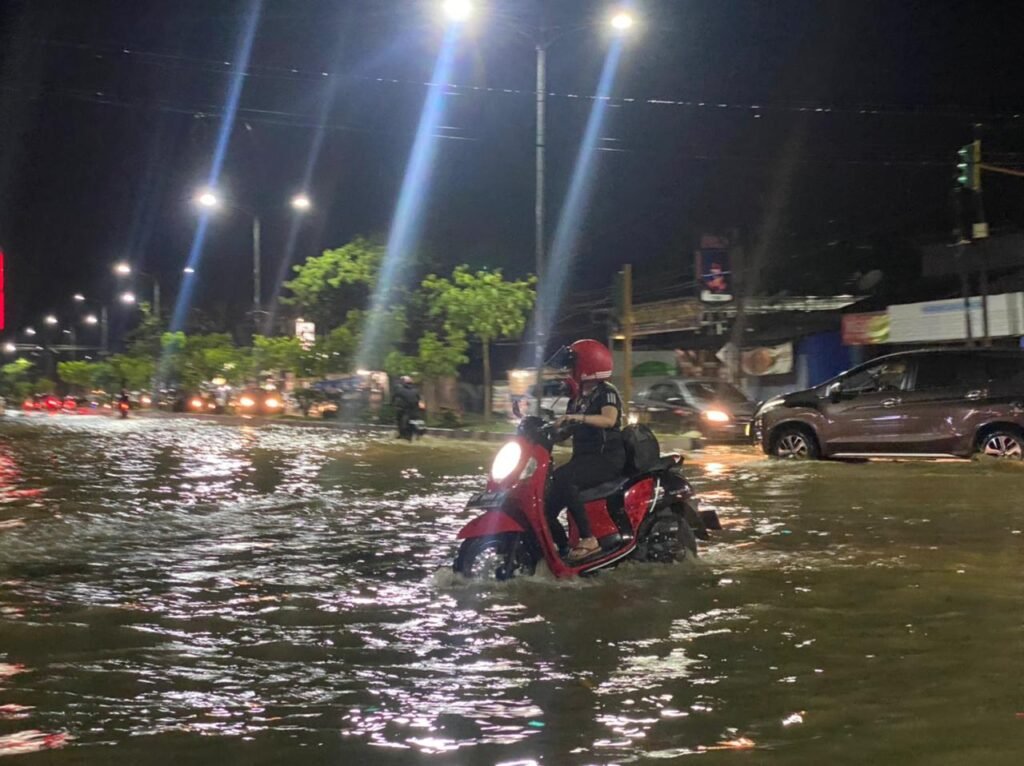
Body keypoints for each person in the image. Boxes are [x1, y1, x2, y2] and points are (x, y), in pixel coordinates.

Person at [546, 339, 626, 561]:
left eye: (572, 365)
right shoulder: (578, 398)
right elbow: (567, 431)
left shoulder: (606, 392)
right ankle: (562, 549)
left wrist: (577, 417)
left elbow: (609, 420)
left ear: (587, 365)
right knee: (548, 498)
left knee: (565, 478)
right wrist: (550, 431)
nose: (569, 370)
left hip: (606, 460)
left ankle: (589, 539)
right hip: (583, 460)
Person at [392, 375, 422, 441]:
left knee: (401, 421)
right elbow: (419, 400)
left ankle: (402, 435)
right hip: (414, 411)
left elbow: (394, 398)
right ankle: (416, 435)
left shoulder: (400, 390)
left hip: (405, 410)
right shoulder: (416, 390)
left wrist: (392, 404)